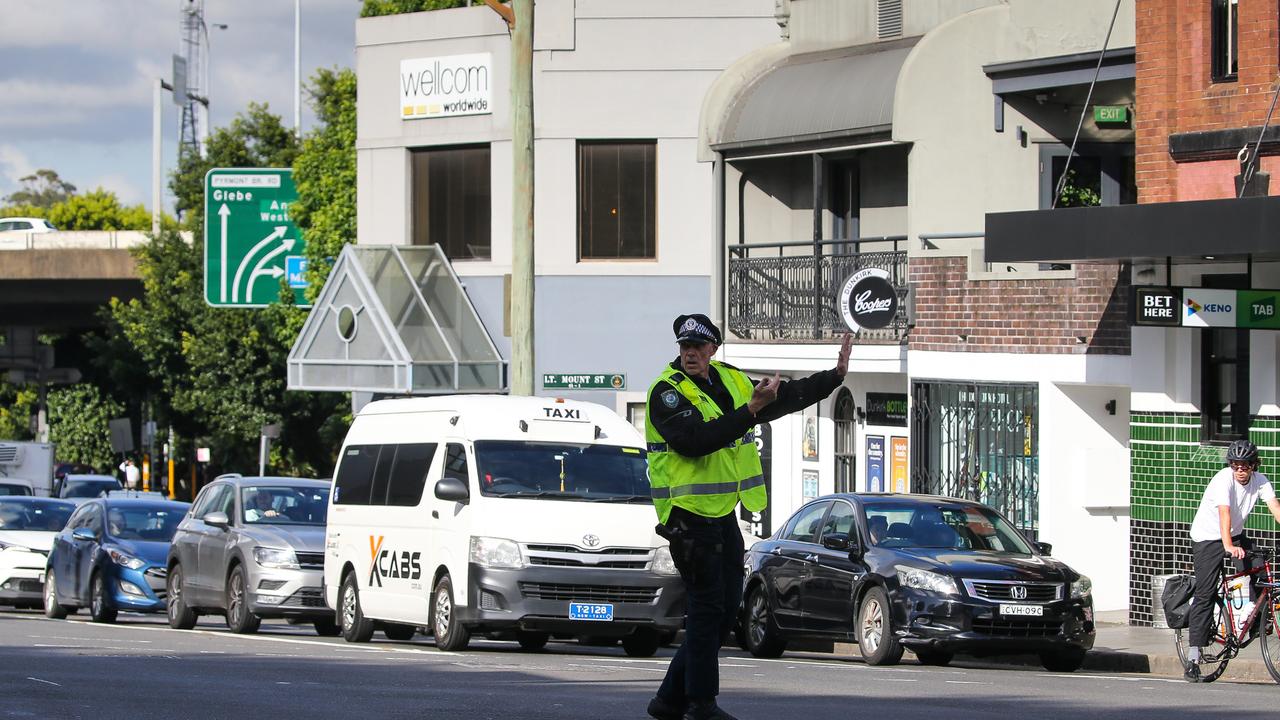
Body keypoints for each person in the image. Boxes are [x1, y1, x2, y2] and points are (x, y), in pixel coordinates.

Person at [644, 313, 851, 720]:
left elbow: (786, 395)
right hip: (687, 517)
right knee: (705, 610)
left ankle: (668, 700)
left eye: (698, 347)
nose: (690, 353)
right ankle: (701, 704)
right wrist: (750, 410)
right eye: (685, 347)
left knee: (725, 612)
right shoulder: (666, 393)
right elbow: (695, 442)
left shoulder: (731, 379)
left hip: (722, 515)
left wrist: (835, 376)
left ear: (713, 350)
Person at [1184, 439, 1280, 682]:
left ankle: (1256, 618)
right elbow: (1224, 513)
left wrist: (1233, 542)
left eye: (1245, 465)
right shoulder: (1222, 479)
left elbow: (1274, 507)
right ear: (1231, 465)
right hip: (1208, 538)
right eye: (1236, 465)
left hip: (1235, 535)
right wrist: (1227, 545)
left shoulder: (1260, 480)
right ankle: (1194, 658)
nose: (1240, 469)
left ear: (1253, 466)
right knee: (1205, 594)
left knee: (1261, 571)